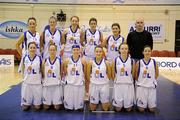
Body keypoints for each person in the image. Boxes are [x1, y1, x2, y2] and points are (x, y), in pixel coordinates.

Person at [112, 43, 135, 112]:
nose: (124, 50)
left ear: (128, 50)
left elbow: (133, 74)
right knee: (118, 109)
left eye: (126, 49)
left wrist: (129, 80)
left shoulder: (131, 61)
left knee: (128, 109)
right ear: (119, 50)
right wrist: (116, 81)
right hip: (118, 85)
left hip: (128, 85)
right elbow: (113, 73)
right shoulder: (115, 60)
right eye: (122, 49)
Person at [135, 45, 159, 112]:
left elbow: (157, 74)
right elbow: (136, 75)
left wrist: (151, 81)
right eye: (145, 51)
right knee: (141, 110)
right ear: (143, 52)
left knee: (152, 110)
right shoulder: (139, 62)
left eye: (149, 51)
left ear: (151, 52)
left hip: (151, 87)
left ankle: (149, 103)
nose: (147, 52)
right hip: (142, 87)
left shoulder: (154, 62)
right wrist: (141, 82)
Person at [87, 45, 111, 111]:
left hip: (104, 85)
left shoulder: (106, 63)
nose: (98, 53)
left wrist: (103, 81)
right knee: (92, 108)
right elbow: (87, 75)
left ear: (102, 53)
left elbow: (109, 75)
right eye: (97, 51)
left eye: (100, 51)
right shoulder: (90, 63)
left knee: (105, 108)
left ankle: (103, 102)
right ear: (94, 52)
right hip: (94, 85)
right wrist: (94, 81)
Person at [63, 45, 87, 110]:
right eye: (74, 50)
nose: (76, 51)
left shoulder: (83, 61)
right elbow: (65, 72)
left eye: (77, 50)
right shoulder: (66, 61)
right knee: (68, 108)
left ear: (79, 51)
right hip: (69, 84)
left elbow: (84, 73)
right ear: (72, 51)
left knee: (79, 108)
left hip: (79, 84)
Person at [21, 41, 42, 111]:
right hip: (27, 83)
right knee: (25, 108)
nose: (32, 49)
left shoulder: (39, 58)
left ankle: (37, 102)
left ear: (36, 49)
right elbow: (23, 70)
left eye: (34, 48)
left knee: (37, 107)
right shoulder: (24, 58)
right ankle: (27, 102)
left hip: (37, 83)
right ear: (28, 49)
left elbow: (42, 70)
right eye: (31, 48)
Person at [42, 43, 63, 110]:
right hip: (47, 85)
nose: (52, 51)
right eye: (51, 50)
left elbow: (61, 73)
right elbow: (42, 72)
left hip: (56, 85)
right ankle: (49, 101)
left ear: (56, 51)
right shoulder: (45, 61)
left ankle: (55, 101)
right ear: (48, 50)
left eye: (54, 50)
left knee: (57, 108)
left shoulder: (59, 60)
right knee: (46, 107)